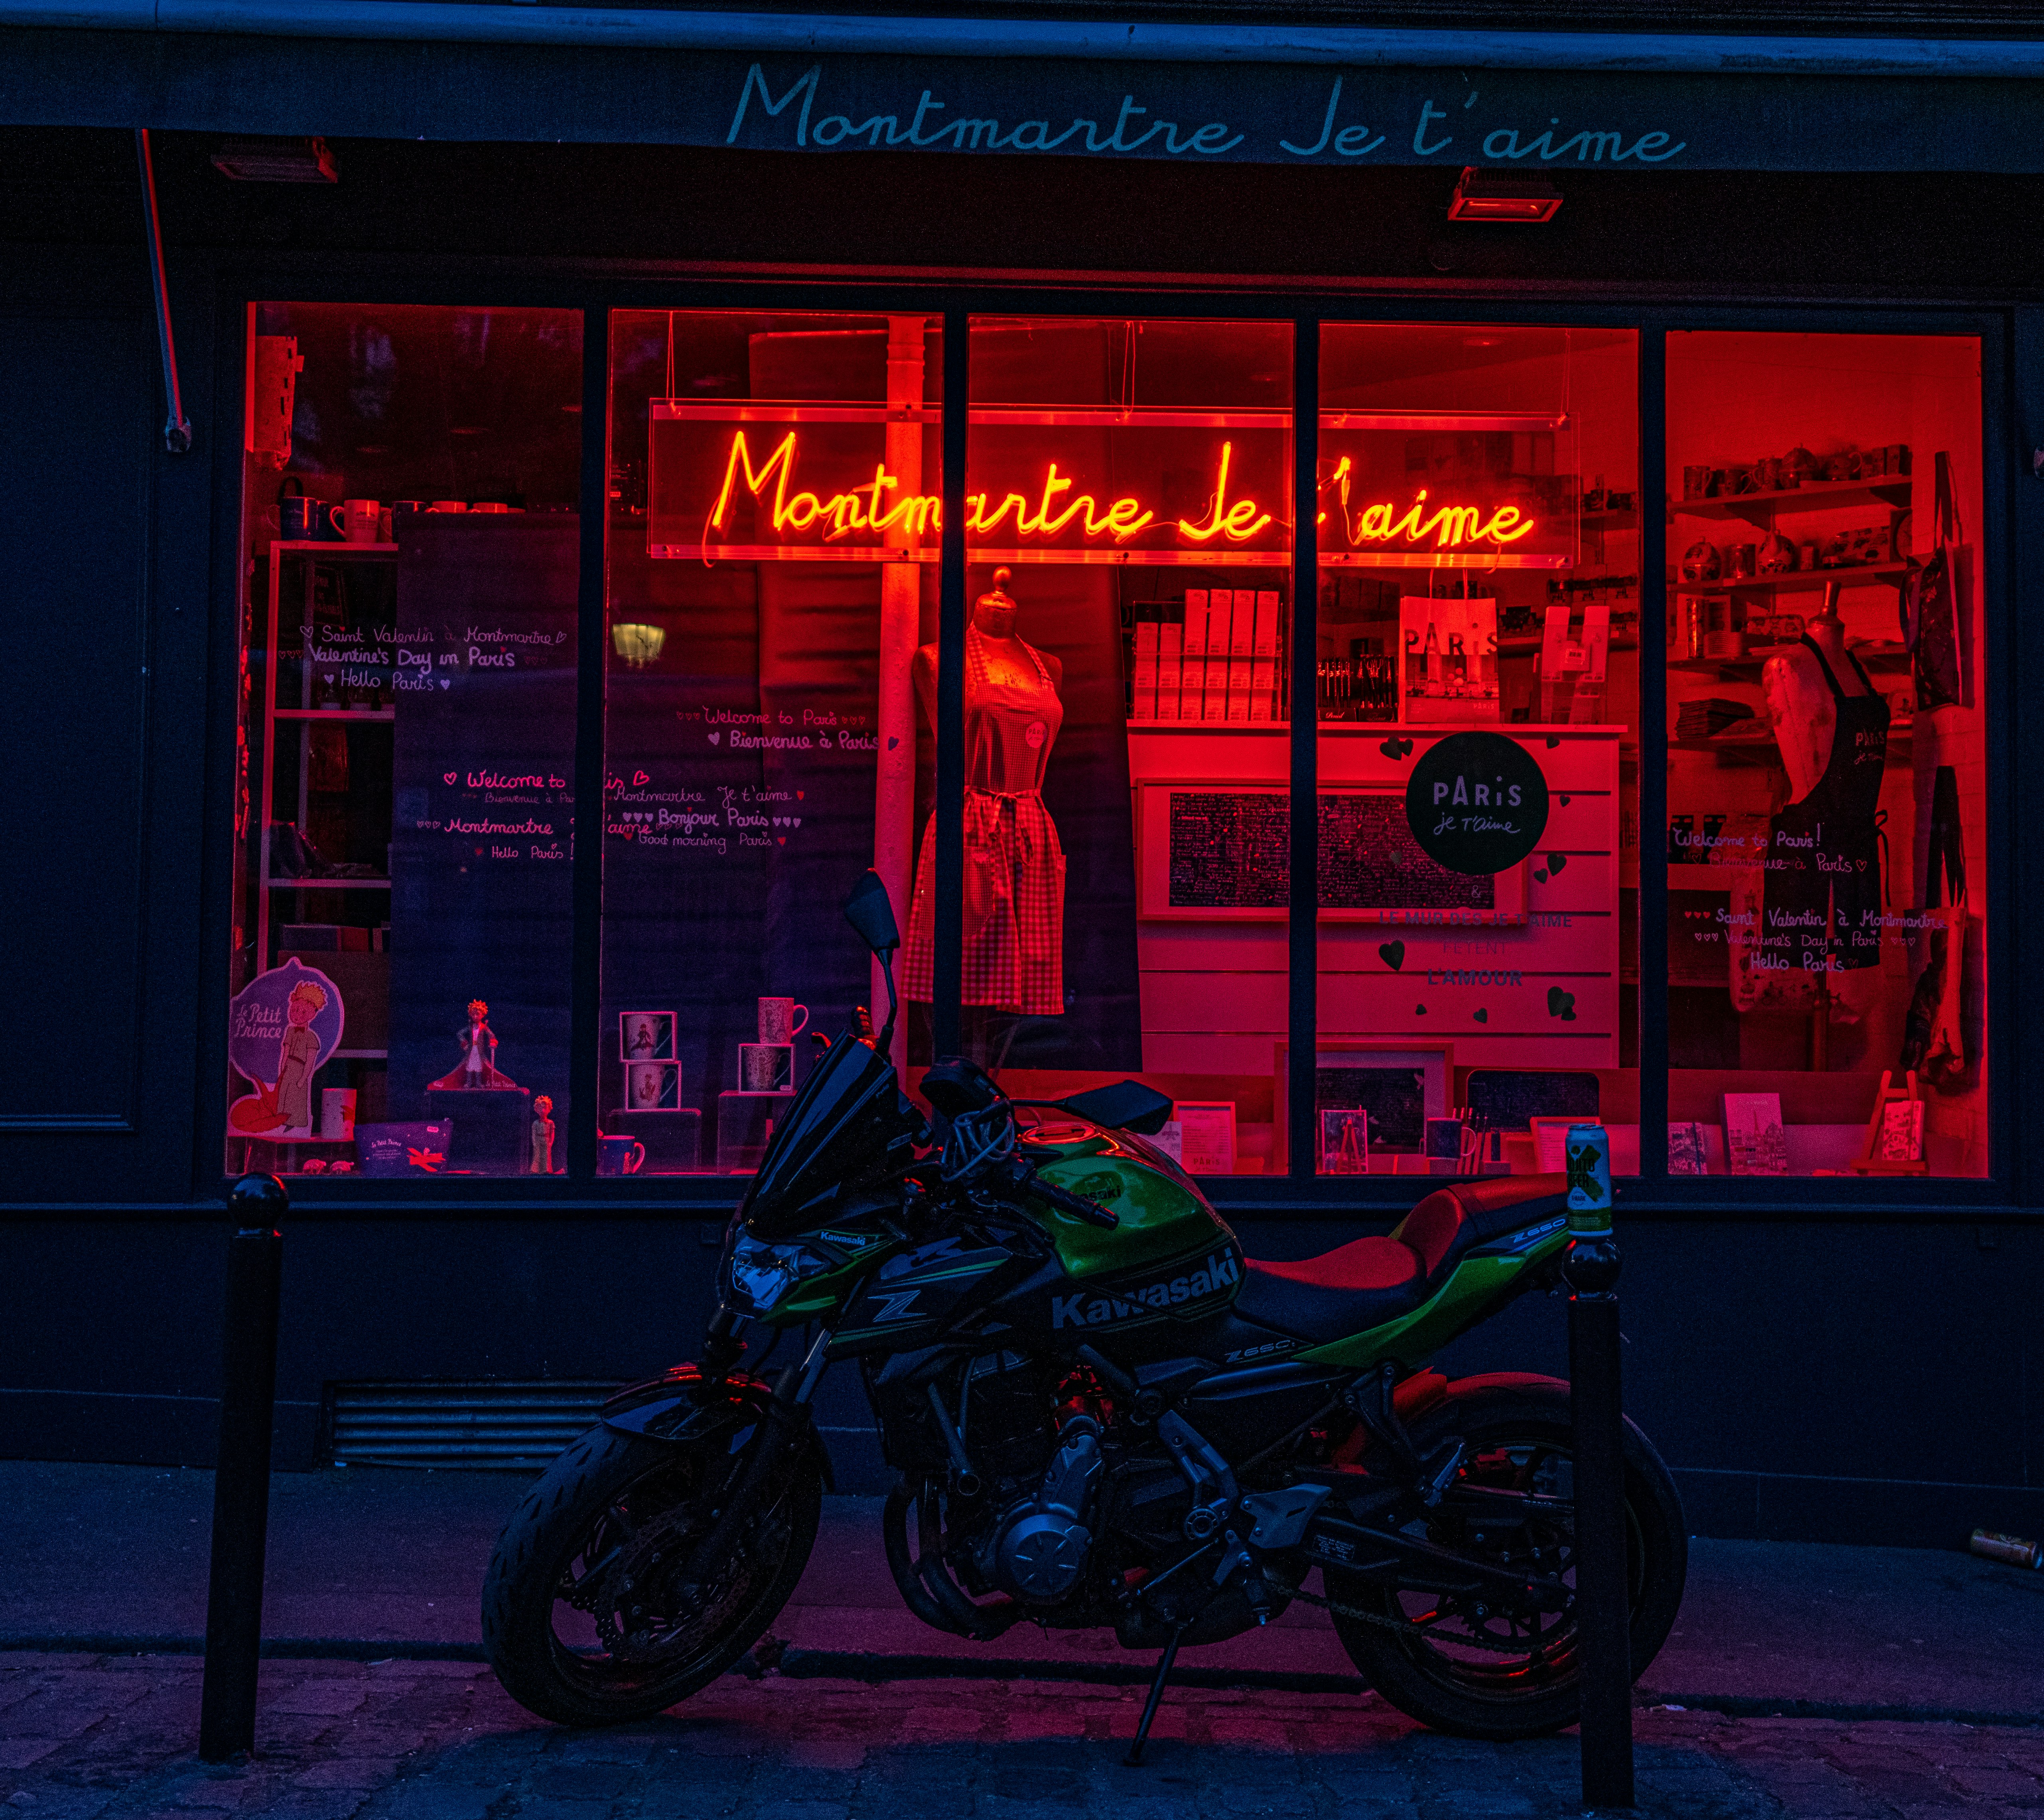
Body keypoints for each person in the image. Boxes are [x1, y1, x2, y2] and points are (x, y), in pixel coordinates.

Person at [274, 978, 327, 1132]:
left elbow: (310, 1061)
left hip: (300, 1069)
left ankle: (294, 1123)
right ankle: (281, 1121)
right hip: (288, 1068)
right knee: (284, 1094)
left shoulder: (311, 1038)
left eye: (303, 1012)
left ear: (312, 1014)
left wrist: (304, 1078)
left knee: (296, 1096)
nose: (297, 1014)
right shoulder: (290, 1031)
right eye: (295, 1009)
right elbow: (285, 1052)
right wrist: (282, 1070)